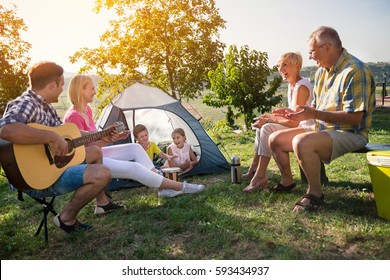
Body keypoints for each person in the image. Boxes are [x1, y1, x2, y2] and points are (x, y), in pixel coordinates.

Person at [0, 61, 123, 234]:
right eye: (61, 85)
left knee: (94, 151)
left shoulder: (46, 107)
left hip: (53, 166)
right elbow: (6, 130)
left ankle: (102, 203)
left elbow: (70, 133)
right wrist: (51, 137)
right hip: (36, 179)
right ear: (52, 85)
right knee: (103, 173)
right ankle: (67, 218)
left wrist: (102, 135)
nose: (62, 90)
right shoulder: (26, 103)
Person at [269, 26, 376, 212]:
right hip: (323, 129)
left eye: (312, 51)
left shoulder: (355, 70)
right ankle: (287, 181)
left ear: (326, 47)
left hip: (350, 132)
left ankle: (315, 194)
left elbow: (355, 118)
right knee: (275, 139)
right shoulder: (320, 73)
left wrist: (314, 114)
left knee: (302, 142)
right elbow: (316, 109)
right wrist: (298, 113)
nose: (310, 56)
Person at [64, 75, 205, 198]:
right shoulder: (74, 116)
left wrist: (113, 138)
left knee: (135, 147)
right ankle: (180, 186)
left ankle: (164, 187)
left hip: (98, 153)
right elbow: (81, 151)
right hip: (87, 162)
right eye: (92, 88)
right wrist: (104, 140)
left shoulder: (86, 110)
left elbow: (93, 143)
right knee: (134, 168)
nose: (95, 92)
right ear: (81, 90)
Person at [242, 52, 314, 193]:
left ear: (297, 66)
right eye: (279, 66)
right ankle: (254, 169)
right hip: (299, 125)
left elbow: (294, 122)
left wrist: (269, 120)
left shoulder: (302, 87)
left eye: (285, 65)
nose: (281, 69)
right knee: (261, 127)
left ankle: (260, 177)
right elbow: (293, 114)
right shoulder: (292, 86)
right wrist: (273, 115)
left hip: (308, 129)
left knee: (267, 127)